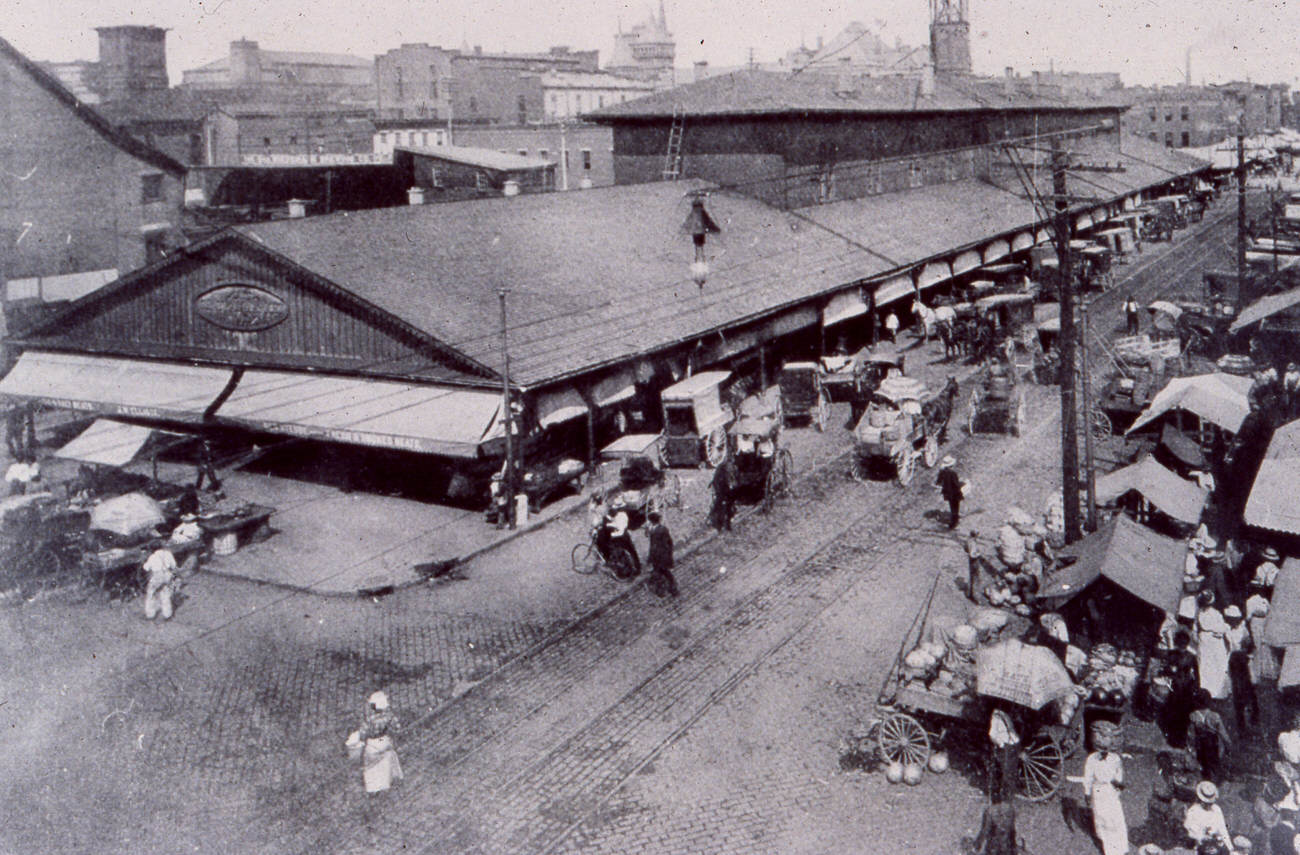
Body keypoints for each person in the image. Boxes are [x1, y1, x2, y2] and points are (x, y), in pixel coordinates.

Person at [1083, 720, 1129, 855]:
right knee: (1103, 820)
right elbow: (1088, 778)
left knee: (1117, 819)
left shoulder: (1115, 759)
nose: (1103, 753)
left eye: (1105, 750)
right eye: (1100, 750)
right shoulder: (1091, 760)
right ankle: (1109, 850)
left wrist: (1118, 785)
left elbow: (1118, 773)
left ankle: (1122, 848)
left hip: (1111, 791)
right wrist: (1087, 793)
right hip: (1098, 792)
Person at [1224, 606, 1257, 734]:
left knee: (1248, 687)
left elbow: (1249, 646)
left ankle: (1253, 714)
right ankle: (1241, 721)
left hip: (1242, 660)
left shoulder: (1243, 630)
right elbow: (1227, 646)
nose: (1233, 621)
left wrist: (1248, 656)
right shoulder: (1227, 630)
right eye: (1231, 619)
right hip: (1233, 660)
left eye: (1235, 619)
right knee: (1237, 689)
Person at [1188, 689, 1232, 784]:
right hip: (1213, 744)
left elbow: (1191, 734)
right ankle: (1217, 780)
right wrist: (1228, 744)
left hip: (1201, 744)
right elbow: (1222, 733)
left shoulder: (1193, 716)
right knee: (1215, 761)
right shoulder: (1215, 716)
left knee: (1203, 762)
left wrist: (1191, 747)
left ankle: (1206, 780)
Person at [1197, 592, 1231, 702]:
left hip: (1205, 639)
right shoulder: (1215, 614)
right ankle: (1213, 691)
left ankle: (1208, 690)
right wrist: (1226, 627)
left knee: (1206, 665)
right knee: (1215, 665)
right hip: (1213, 641)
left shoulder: (1199, 613)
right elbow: (1220, 628)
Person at [1185, 781, 1232, 849]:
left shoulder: (1216, 809)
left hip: (1215, 845)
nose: (1208, 805)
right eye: (1206, 802)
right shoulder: (1193, 811)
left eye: (1210, 803)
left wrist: (1230, 848)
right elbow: (1189, 832)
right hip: (1199, 846)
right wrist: (1201, 837)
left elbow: (1223, 830)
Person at [645, 511, 678, 598]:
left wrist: (667, 555)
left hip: (661, 556)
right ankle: (664, 589)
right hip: (656, 556)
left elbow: (668, 543)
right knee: (661, 572)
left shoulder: (661, 530)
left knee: (665, 572)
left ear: (652, 521)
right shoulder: (654, 529)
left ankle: (672, 588)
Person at [604, 501, 640, 577]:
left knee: (630, 552)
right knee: (630, 552)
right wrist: (610, 524)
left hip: (622, 537)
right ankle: (633, 567)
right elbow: (616, 523)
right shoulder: (620, 515)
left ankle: (635, 568)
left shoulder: (622, 516)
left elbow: (620, 530)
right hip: (622, 536)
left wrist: (612, 534)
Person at [143, 546, 179, 621]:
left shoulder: (152, 557)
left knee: (151, 594)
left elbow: (146, 568)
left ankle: (150, 614)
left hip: (157, 576)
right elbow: (174, 565)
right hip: (167, 575)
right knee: (165, 594)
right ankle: (167, 614)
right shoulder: (168, 554)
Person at [936, 456, 964, 530]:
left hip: (947, 493)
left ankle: (953, 520)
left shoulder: (942, 472)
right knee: (956, 508)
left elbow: (938, 482)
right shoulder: (953, 473)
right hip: (954, 493)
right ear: (951, 465)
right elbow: (956, 484)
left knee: (952, 506)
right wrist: (962, 483)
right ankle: (954, 523)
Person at [709, 457, 735, 532]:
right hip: (722, 488)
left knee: (720, 504)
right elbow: (729, 480)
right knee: (726, 505)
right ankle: (725, 524)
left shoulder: (722, 466)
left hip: (719, 487)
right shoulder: (728, 467)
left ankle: (721, 524)